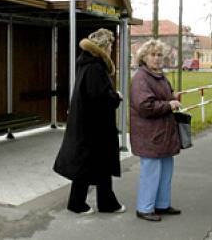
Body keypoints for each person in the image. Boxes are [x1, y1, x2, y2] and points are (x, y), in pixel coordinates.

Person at [53, 28, 126, 214]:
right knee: (93, 163)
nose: (111, 49)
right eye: (110, 45)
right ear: (104, 46)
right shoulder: (95, 67)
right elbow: (98, 97)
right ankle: (82, 204)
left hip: (89, 125)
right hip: (95, 127)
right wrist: (116, 97)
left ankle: (102, 202)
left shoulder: (86, 64)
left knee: (94, 164)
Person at [130, 39, 182, 222]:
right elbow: (145, 106)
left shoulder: (159, 75)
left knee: (166, 171)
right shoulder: (141, 78)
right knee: (151, 173)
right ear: (143, 57)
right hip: (149, 135)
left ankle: (162, 204)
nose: (157, 58)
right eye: (153, 54)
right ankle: (144, 208)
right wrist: (169, 104)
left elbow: (162, 96)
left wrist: (172, 96)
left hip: (164, 134)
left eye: (160, 55)